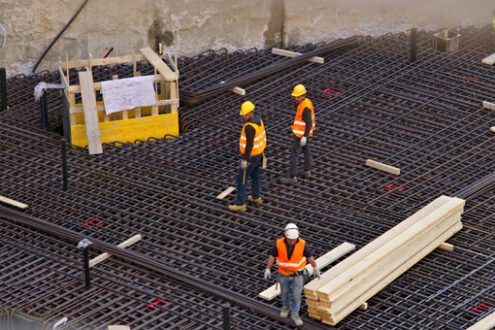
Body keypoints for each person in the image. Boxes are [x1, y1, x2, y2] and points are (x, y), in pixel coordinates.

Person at [264, 223, 320, 327]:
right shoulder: (278, 243)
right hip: (283, 274)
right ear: (285, 236)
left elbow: (309, 257)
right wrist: (268, 269)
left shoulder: (302, 244)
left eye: (294, 239)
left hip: (297, 275)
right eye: (290, 239)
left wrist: (315, 268)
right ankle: (286, 307)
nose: (292, 241)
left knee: (296, 295)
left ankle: (295, 314)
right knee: (284, 293)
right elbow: (272, 256)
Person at [228, 101, 267, 212]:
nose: (243, 116)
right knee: (255, 175)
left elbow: (249, 145)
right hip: (259, 154)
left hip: (251, 156)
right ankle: (256, 197)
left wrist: (245, 159)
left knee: (242, 179)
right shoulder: (258, 120)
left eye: (245, 114)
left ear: (250, 113)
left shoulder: (249, 127)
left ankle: (241, 204)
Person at [280, 84, 315, 185]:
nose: (296, 98)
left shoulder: (305, 108)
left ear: (303, 95)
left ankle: (293, 177)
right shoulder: (306, 102)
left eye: (298, 96)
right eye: (295, 96)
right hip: (304, 134)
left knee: (294, 153)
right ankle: (307, 171)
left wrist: (304, 136)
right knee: (306, 150)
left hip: (301, 135)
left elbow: (309, 123)